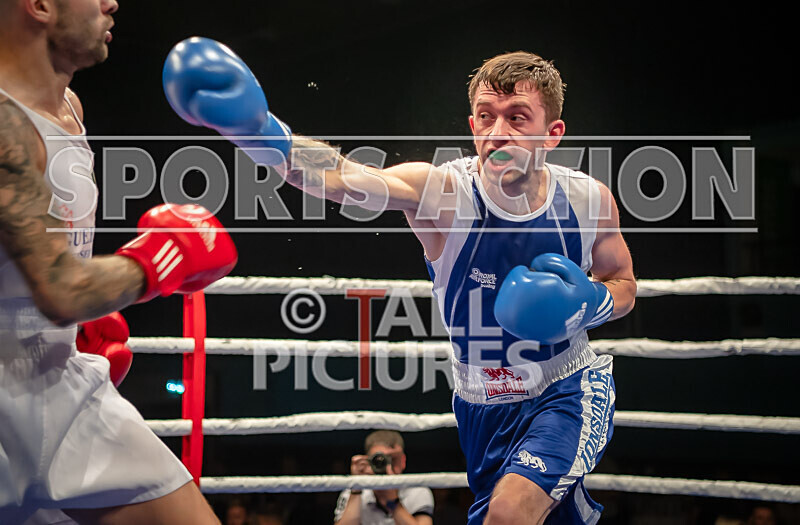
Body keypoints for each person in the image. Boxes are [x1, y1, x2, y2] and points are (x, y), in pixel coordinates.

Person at [163, 39, 636, 524]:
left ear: (551, 133)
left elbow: (623, 282)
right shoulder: (442, 193)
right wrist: (263, 133)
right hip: (481, 401)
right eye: (486, 115)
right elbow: (342, 179)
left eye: (518, 117)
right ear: (472, 126)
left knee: (510, 515)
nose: (499, 132)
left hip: (567, 384)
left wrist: (591, 302)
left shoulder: (588, 199)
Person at [0, 1, 237, 523]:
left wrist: (82, 313)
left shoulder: (70, 109)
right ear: (39, 6)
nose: (111, 2)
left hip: (58, 380)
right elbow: (61, 289)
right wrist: (162, 258)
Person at [333, 431, 434, 525]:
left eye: (393, 460)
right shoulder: (352, 493)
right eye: (379, 461)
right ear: (368, 461)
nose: (387, 466)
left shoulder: (418, 491)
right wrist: (356, 488)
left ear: (403, 461)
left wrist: (393, 502)